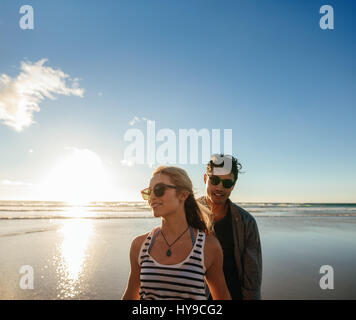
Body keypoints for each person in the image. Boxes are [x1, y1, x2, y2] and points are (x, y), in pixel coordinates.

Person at [122, 166, 231, 300]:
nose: (152, 197)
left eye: (159, 190)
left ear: (183, 194)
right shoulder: (139, 245)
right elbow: (130, 295)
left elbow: (222, 297)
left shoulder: (208, 246)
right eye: (149, 192)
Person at [197, 154, 262, 300]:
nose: (219, 187)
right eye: (214, 180)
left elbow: (253, 273)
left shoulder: (246, 222)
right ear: (205, 179)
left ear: (233, 185)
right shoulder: (187, 214)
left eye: (226, 183)